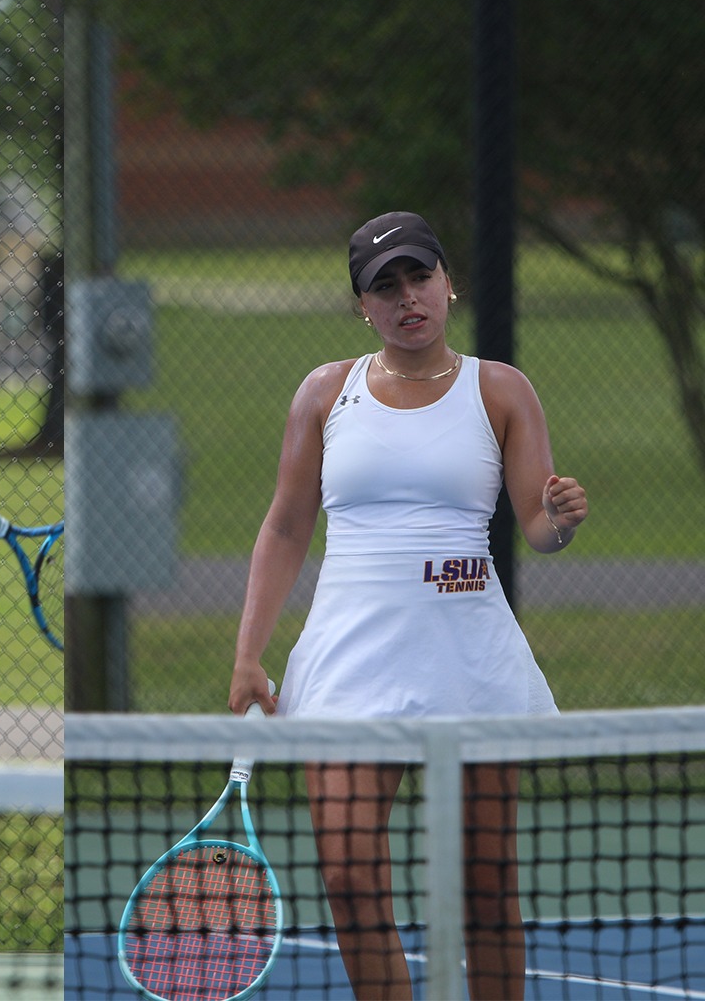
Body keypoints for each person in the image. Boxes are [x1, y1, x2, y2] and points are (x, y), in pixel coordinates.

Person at [228, 212, 589, 1000]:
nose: (407, 299)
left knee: (487, 886)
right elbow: (286, 525)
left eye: (419, 278)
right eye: (384, 287)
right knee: (350, 878)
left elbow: (536, 525)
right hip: (350, 661)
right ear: (363, 305)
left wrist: (556, 522)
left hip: (472, 659)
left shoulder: (502, 389)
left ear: (448, 282)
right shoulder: (325, 392)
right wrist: (249, 653)